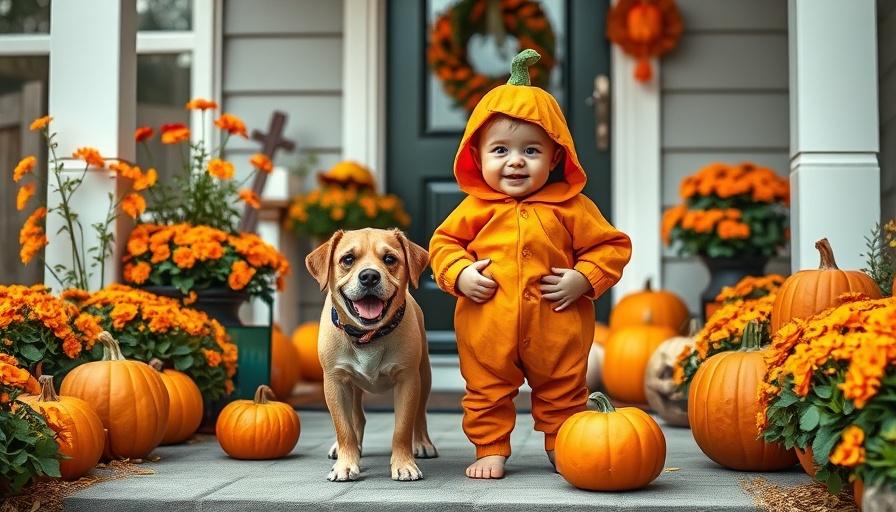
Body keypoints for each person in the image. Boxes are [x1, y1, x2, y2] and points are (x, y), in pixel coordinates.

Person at [428, 49, 633, 480]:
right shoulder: (473, 209)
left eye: (531, 150)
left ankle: (565, 443)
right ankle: (490, 447)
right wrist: (461, 274)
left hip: (556, 326)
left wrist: (583, 277)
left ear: (556, 157)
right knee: (485, 390)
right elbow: (443, 245)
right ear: (478, 156)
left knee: (563, 388)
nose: (515, 161)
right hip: (487, 327)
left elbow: (611, 246)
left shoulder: (573, 208)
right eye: (500, 149)